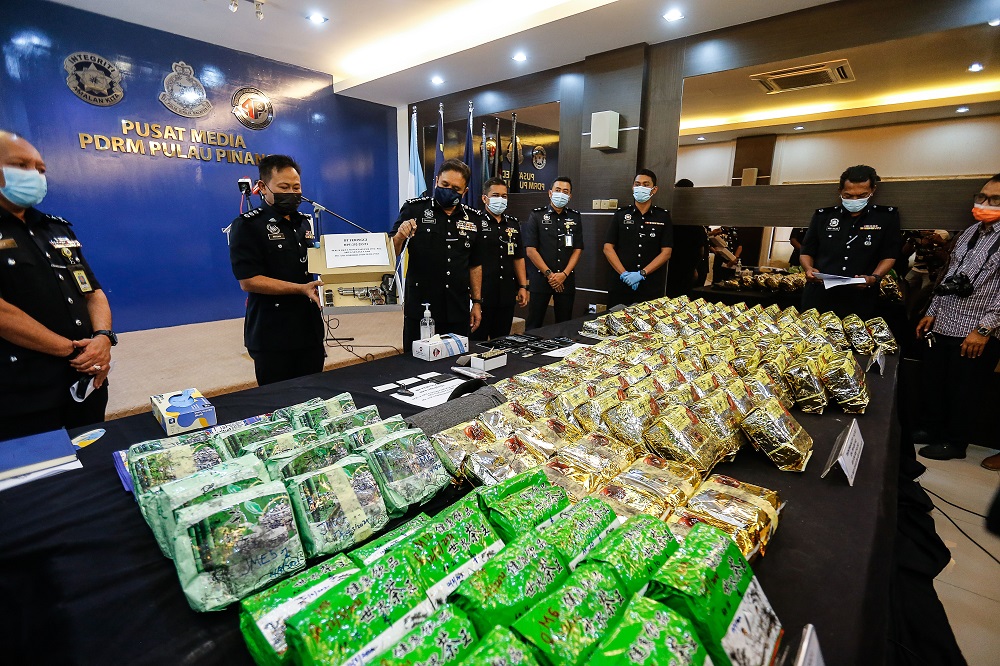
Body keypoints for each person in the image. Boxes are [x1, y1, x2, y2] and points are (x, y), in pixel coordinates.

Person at [0, 131, 113, 440]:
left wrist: (102, 339)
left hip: (84, 378)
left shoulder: (55, 228)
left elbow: (93, 291)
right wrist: (68, 349)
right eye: (21, 165)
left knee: (93, 455)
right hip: (21, 389)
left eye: (40, 169)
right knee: (41, 476)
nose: (34, 175)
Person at [914, 173, 1000, 466]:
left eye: (995, 200)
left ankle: (954, 441)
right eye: (982, 197)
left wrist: (984, 330)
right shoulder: (970, 231)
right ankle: (931, 429)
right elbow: (950, 274)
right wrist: (932, 311)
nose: (985, 203)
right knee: (934, 380)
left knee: (965, 389)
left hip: (977, 329)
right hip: (945, 321)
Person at [228, 154, 324, 386]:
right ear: (262, 187)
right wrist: (300, 289)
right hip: (272, 333)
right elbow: (248, 280)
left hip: (309, 329)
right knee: (279, 402)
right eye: (283, 187)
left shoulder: (303, 222)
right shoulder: (247, 225)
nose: (291, 193)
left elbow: (312, 264)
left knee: (315, 393)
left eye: (296, 187)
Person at [392, 158, 483, 348]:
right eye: (444, 184)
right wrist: (400, 235)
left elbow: (475, 264)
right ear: (436, 182)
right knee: (415, 363)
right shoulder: (414, 208)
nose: (449, 190)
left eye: (456, 189)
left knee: (456, 361)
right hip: (422, 306)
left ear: (465, 192)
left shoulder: (473, 219)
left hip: (457, 306)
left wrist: (476, 302)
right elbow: (392, 252)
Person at [799, 164, 902, 320]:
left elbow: (889, 254)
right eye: (848, 195)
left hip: (860, 297)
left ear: (872, 190)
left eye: (861, 195)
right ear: (840, 191)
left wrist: (874, 277)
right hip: (820, 294)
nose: (855, 200)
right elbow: (807, 251)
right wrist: (808, 269)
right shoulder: (824, 216)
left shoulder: (885, 217)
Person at [603, 169, 673, 306]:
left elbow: (666, 252)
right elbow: (607, 248)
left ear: (654, 189)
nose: (641, 187)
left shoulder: (663, 216)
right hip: (620, 283)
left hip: (650, 286)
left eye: (646, 184)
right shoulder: (621, 215)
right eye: (637, 184)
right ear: (633, 187)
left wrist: (642, 273)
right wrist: (624, 274)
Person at [522, 176, 583, 329]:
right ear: (550, 193)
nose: (561, 194)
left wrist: (564, 274)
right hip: (541, 278)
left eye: (565, 191)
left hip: (566, 278)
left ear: (570, 196)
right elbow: (530, 250)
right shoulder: (536, 215)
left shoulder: (575, 217)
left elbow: (578, 249)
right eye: (557, 190)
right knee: (534, 323)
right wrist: (550, 275)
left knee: (564, 323)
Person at [473, 177, 529, 340]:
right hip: (483, 293)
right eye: (496, 195)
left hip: (505, 293)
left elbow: (518, 257)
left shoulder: (513, 224)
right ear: (485, 198)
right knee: (478, 340)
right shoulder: (475, 222)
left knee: (502, 340)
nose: (501, 199)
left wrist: (523, 286)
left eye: (504, 196)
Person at [665, 178, 708, 297]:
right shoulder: (692, 215)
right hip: (685, 266)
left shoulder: (671, 212)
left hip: (671, 265)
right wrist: (694, 268)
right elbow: (700, 248)